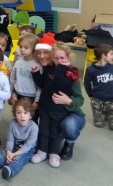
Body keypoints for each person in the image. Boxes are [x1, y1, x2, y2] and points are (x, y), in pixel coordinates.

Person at [32, 33, 85, 161]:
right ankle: (42, 151)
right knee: (44, 130)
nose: (59, 61)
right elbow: (44, 84)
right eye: (56, 58)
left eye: (62, 58)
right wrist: (35, 73)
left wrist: (68, 101)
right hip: (48, 108)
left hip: (66, 111)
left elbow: (78, 98)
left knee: (62, 129)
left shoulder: (71, 73)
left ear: (68, 58)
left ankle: (64, 146)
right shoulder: (49, 69)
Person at [0, 98, 38, 180]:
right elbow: (10, 140)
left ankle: (10, 170)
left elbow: (28, 146)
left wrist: (14, 154)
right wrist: (9, 152)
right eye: (19, 112)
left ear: (30, 116)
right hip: (15, 145)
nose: (22, 115)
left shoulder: (34, 128)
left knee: (18, 159)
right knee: (3, 154)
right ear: (15, 114)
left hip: (28, 150)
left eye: (25, 113)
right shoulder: (12, 124)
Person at [9, 34, 40, 124]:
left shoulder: (38, 64)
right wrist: (11, 94)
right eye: (21, 47)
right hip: (19, 95)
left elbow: (39, 86)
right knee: (19, 119)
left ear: (34, 48)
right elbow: (12, 79)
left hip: (32, 98)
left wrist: (37, 100)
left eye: (26, 47)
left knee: (32, 121)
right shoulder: (18, 63)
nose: (22, 49)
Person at [84, 44, 113, 129]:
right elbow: (87, 84)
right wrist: (90, 95)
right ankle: (103, 113)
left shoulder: (112, 66)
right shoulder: (91, 70)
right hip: (97, 99)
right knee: (99, 124)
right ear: (103, 56)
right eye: (111, 54)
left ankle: (107, 113)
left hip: (111, 99)